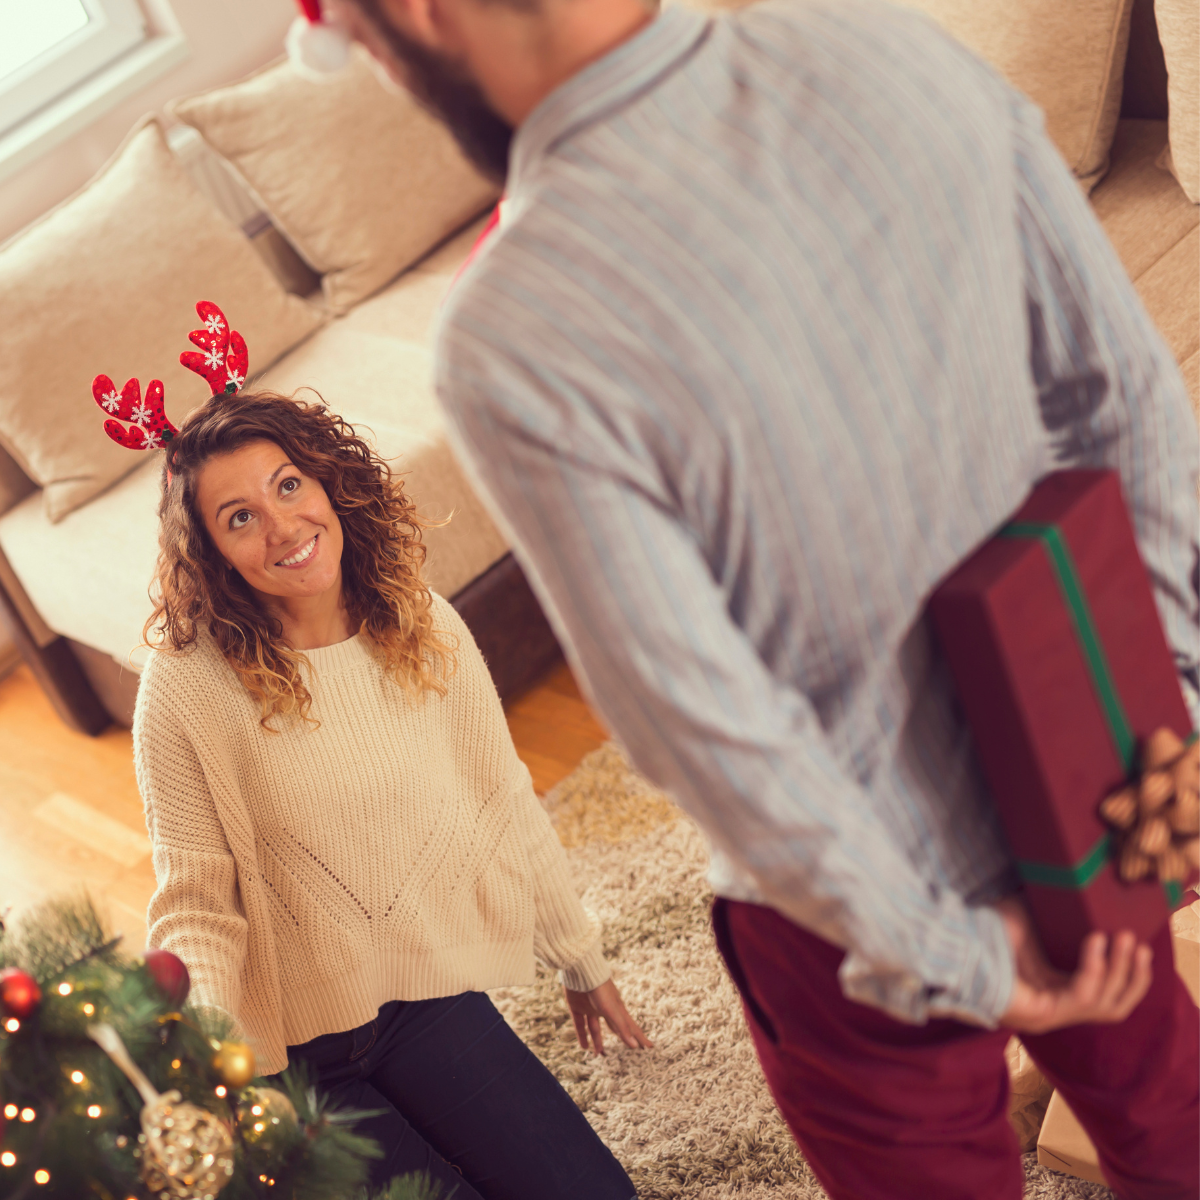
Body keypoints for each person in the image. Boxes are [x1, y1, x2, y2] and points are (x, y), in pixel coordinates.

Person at [320, 0, 1200, 1195]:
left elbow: (699, 725)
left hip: (851, 924)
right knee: (1172, 1114)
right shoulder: (889, 46)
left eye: (367, 47)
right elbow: (1128, 405)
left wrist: (949, 952)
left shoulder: (513, 330)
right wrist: (1167, 715)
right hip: (1092, 764)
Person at [133, 389, 650, 1200]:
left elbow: (500, 797)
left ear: (329, 481)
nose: (282, 527)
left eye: (288, 485)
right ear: (212, 553)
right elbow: (195, 905)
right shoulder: (184, 686)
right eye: (239, 518)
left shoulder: (422, 624)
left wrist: (578, 955)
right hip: (284, 1060)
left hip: (420, 1001)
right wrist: (209, 1061)